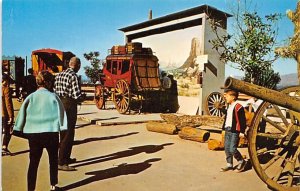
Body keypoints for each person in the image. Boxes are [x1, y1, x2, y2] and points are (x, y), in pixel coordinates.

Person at [13, 71, 67, 191]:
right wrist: (63, 127)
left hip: (34, 135)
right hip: (51, 133)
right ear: (48, 83)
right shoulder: (54, 96)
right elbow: (61, 113)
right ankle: (53, 185)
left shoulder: (31, 97)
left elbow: (22, 114)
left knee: (33, 162)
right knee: (53, 160)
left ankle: (30, 188)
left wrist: (18, 128)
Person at [54, 56, 82, 171]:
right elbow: (76, 95)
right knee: (69, 134)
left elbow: (55, 90)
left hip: (60, 103)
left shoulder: (60, 74)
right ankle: (61, 162)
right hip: (69, 104)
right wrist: (82, 98)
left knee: (62, 132)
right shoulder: (73, 76)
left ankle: (65, 157)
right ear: (77, 65)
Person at [220, 89, 246, 172]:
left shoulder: (238, 107)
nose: (226, 98)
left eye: (227, 96)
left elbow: (242, 120)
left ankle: (241, 161)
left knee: (232, 149)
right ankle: (229, 164)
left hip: (235, 131)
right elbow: (228, 116)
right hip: (227, 129)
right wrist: (221, 109)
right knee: (227, 148)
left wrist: (242, 131)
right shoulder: (230, 106)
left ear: (233, 97)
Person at [2, 64, 14, 156]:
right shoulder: (5, 89)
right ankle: (4, 147)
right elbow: (8, 104)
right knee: (7, 130)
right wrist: (11, 116)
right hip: (3, 114)